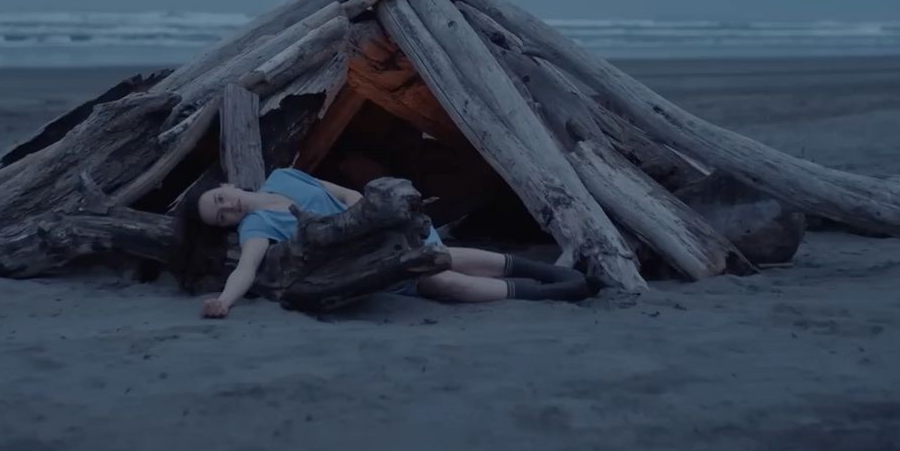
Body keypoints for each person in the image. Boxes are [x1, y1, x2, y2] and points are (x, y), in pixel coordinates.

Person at [188, 166, 598, 319]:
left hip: (387, 226)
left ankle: (548, 274)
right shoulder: (256, 226)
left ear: (226, 185)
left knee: (442, 256)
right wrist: (224, 302)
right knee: (442, 282)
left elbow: (348, 195)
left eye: (220, 199)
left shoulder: (283, 177)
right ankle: (549, 293)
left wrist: (374, 217)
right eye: (221, 216)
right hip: (369, 261)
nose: (228, 207)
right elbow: (246, 266)